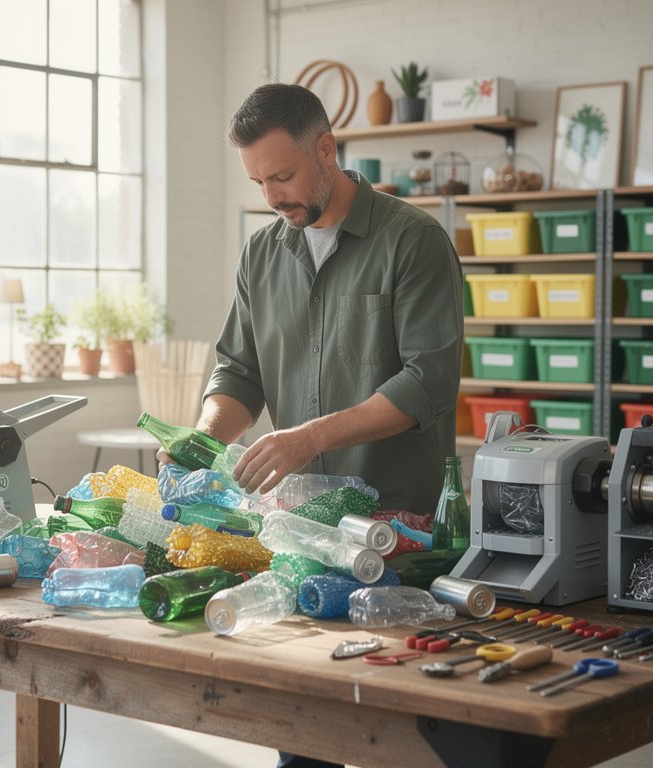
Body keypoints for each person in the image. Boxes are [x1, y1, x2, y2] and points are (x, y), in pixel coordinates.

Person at [192, 83, 464, 768]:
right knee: (304, 731)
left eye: (282, 175)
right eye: (258, 181)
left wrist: (307, 437)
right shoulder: (261, 254)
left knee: (401, 736)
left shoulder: (413, 241)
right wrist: (201, 440)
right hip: (302, 535)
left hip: (396, 540)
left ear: (326, 150)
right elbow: (239, 373)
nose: (272, 195)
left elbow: (426, 383)